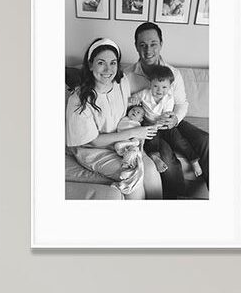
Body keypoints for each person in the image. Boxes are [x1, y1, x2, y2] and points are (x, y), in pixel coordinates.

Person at [124, 22, 210, 196]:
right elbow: (123, 106)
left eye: (153, 44)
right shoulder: (127, 76)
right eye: (143, 45)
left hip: (171, 120)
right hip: (149, 126)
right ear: (136, 46)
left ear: (161, 44)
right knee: (167, 159)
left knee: (205, 140)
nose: (148, 50)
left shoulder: (173, 73)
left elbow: (181, 103)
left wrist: (175, 119)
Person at [65, 38, 157, 198]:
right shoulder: (78, 100)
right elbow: (94, 141)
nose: (108, 69)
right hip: (94, 150)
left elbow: (149, 87)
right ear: (90, 64)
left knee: (150, 170)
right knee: (133, 177)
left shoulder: (121, 82)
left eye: (113, 63)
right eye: (101, 62)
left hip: (120, 144)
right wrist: (134, 132)